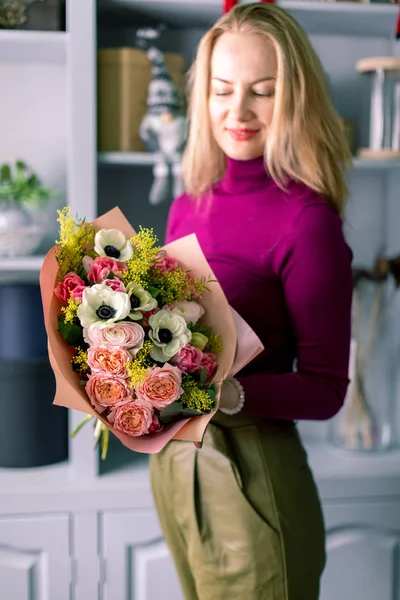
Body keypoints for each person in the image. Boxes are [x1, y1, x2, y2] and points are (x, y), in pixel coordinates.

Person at [149, 3, 353, 599]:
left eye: (262, 92)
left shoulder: (306, 221)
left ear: (293, 99)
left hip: (252, 483)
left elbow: (325, 388)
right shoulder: (189, 202)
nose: (237, 112)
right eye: (222, 90)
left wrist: (228, 392)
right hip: (175, 470)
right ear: (202, 97)